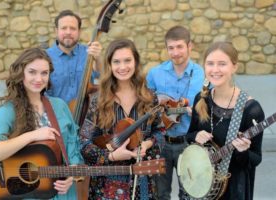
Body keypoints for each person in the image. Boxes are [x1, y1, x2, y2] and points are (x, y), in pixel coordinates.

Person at [0, 48, 83, 200]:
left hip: (63, 194)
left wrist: (70, 178)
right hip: (28, 193)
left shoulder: (60, 106)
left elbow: (74, 155)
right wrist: (32, 135)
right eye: (32, 72)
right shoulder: (8, 111)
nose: (39, 79)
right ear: (21, 74)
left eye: (44, 73)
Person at [80, 38, 161, 200]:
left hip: (142, 183)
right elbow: (84, 143)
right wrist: (111, 156)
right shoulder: (98, 100)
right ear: (109, 65)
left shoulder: (149, 97)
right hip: (106, 185)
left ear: (136, 62)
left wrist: (147, 143)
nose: (122, 67)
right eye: (116, 62)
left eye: (127, 60)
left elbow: (160, 132)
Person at [186, 41, 265, 200]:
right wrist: (195, 136)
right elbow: (188, 136)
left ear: (234, 67)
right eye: (210, 64)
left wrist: (242, 152)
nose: (215, 70)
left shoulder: (251, 109)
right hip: (203, 186)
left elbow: (256, 158)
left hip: (234, 190)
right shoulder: (201, 99)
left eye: (222, 64)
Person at [146, 25, 204, 199]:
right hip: (160, 143)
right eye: (171, 48)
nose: (175, 52)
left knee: (189, 193)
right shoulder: (155, 74)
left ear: (190, 46)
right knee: (160, 194)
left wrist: (190, 110)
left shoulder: (202, 74)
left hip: (189, 143)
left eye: (179, 47)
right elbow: (146, 106)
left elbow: (210, 108)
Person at [46, 9, 102, 104]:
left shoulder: (89, 53)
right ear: (56, 31)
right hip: (56, 116)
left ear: (79, 31)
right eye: (64, 28)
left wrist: (98, 59)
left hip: (85, 116)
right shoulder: (45, 57)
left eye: (73, 28)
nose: (68, 32)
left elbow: (103, 77)